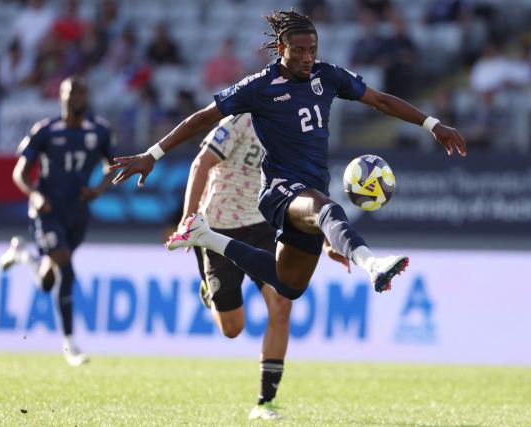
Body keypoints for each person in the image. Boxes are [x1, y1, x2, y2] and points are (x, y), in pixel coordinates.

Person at [111, 10, 466, 304]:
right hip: (280, 190)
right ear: (281, 47)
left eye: (312, 49)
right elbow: (202, 117)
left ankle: (206, 237)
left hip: (310, 187)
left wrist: (432, 124)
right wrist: (153, 153)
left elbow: (381, 100)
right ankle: (373, 264)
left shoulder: (328, 76)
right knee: (328, 208)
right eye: (298, 50)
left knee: (289, 285)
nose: (307, 57)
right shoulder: (259, 87)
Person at [175, 113, 349, 420]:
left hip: (265, 225)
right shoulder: (240, 120)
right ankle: (208, 290)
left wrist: (326, 240)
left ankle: (265, 402)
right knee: (232, 328)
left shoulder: (297, 129)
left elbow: (308, 192)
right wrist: (189, 219)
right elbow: (201, 163)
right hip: (219, 226)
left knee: (282, 303)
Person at [0, 76, 115, 367]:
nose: (75, 97)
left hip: (77, 213)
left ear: (87, 97)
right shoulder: (45, 130)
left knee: (48, 281)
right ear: (60, 97)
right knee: (66, 269)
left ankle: (24, 255)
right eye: (69, 92)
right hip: (48, 211)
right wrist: (35, 195)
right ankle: (70, 345)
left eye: (80, 92)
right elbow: (19, 172)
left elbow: (112, 165)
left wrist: (98, 189)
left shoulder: (99, 131)